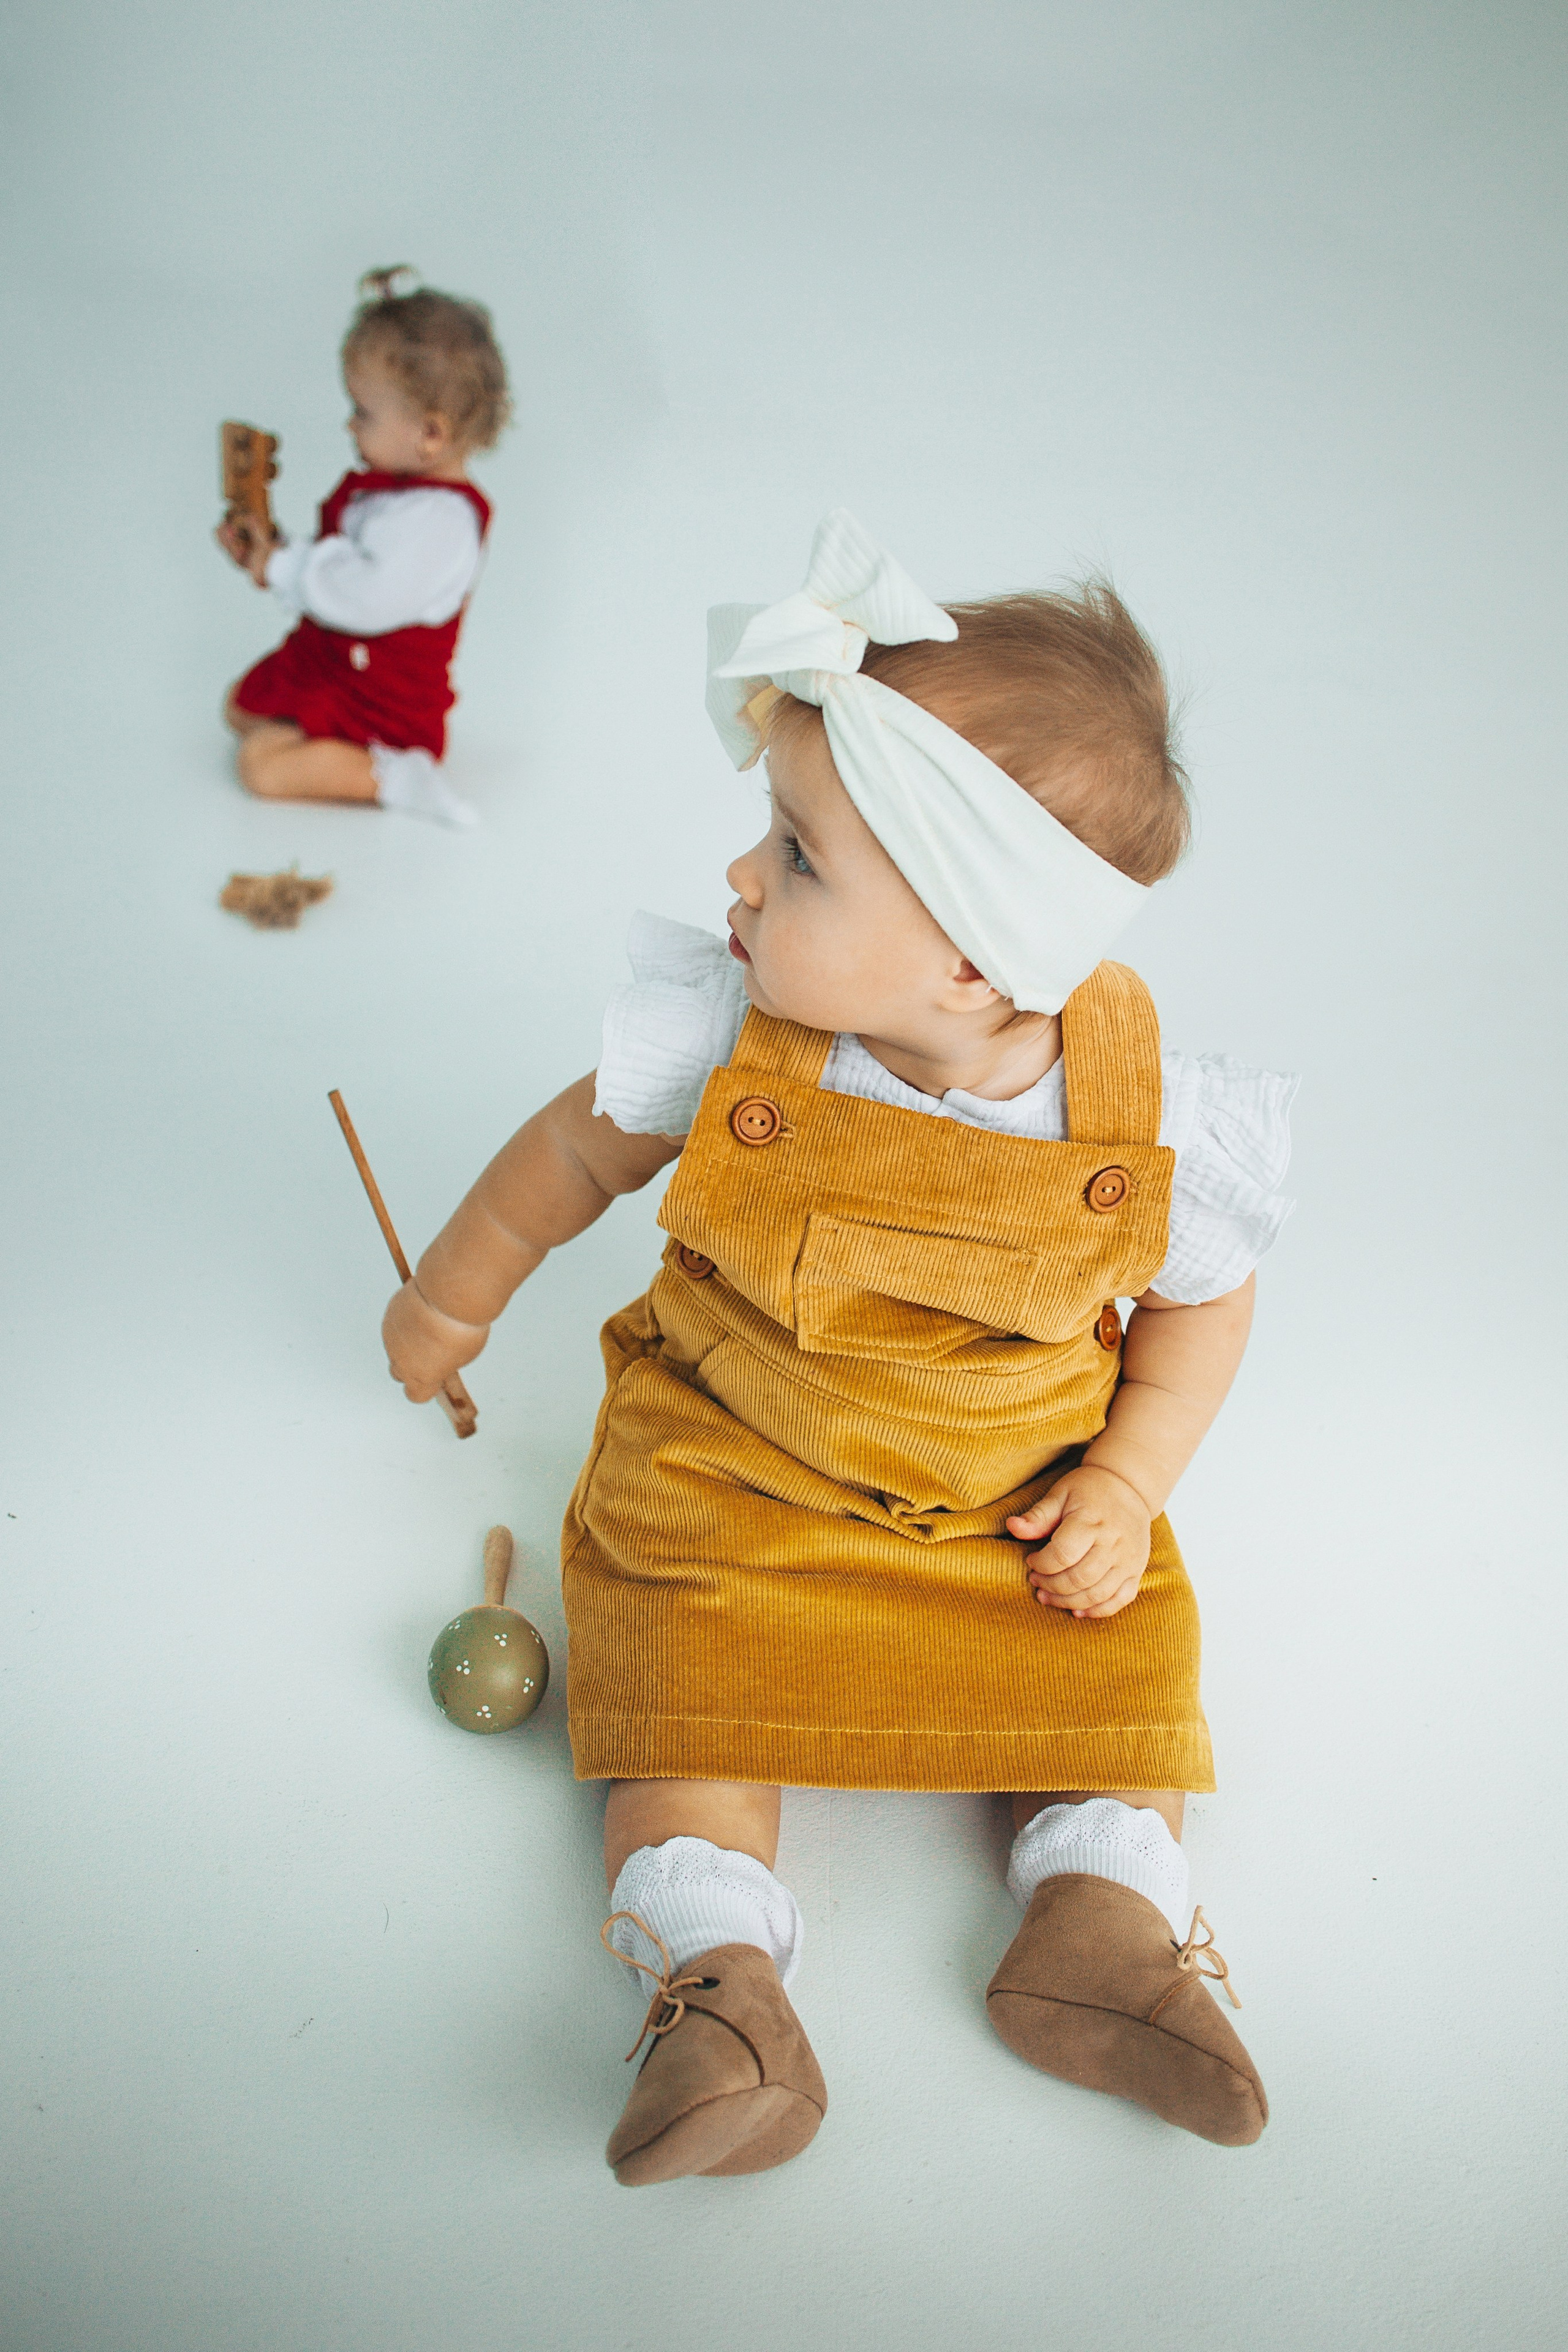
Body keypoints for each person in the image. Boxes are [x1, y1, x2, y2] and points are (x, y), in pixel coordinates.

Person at [382, 511, 1297, 2179]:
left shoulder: (1145, 1108)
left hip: (1010, 1505)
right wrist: (453, 1294)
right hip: (736, 1474)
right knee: (683, 1702)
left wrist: (1127, 1477)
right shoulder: (739, 1035)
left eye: (796, 855)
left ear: (968, 955)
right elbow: (571, 1152)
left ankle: (1104, 1922)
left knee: (1120, 1679)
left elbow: (1203, 1307)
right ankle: (723, 1993)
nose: (740, 876)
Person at [216, 269, 510, 828]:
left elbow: (361, 596)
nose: (350, 426)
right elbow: (344, 565)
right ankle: (332, 748)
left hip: (383, 703)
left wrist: (283, 566)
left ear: (431, 434)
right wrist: (270, 552)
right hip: (333, 664)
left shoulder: (442, 523)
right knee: (239, 708)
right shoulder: (397, 491)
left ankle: (397, 775)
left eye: (364, 412)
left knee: (260, 767)